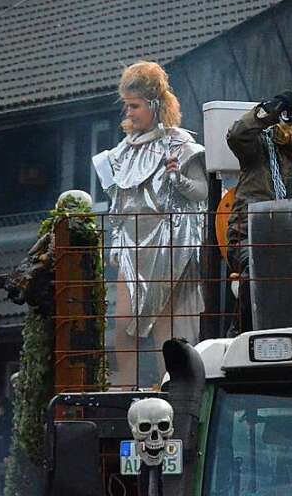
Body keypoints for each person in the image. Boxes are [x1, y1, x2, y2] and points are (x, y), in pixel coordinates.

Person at [92, 61, 208, 387]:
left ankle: (173, 392)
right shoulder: (121, 153)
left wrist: (178, 178)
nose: (128, 113)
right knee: (122, 324)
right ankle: (125, 392)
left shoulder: (180, 145)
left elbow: (202, 191)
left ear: (155, 104)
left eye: (135, 106)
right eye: (127, 105)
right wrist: (115, 243)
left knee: (167, 329)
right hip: (131, 247)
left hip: (169, 246)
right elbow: (119, 203)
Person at [225, 84, 292, 273]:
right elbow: (237, 135)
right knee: (265, 272)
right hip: (254, 238)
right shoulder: (258, 147)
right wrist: (271, 109)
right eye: (290, 115)